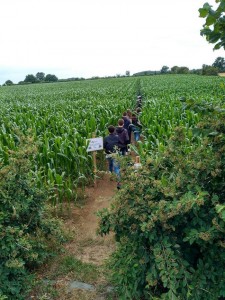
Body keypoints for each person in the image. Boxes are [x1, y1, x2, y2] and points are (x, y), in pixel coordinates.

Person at [103, 125, 121, 189]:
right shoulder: (117, 137)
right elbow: (120, 144)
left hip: (108, 154)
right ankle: (118, 182)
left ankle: (111, 176)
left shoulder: (106, 138)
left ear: (108, 131)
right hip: (115, 154)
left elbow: (104, 146)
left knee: (110, 165)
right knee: (116, 168)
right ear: (114, 130)